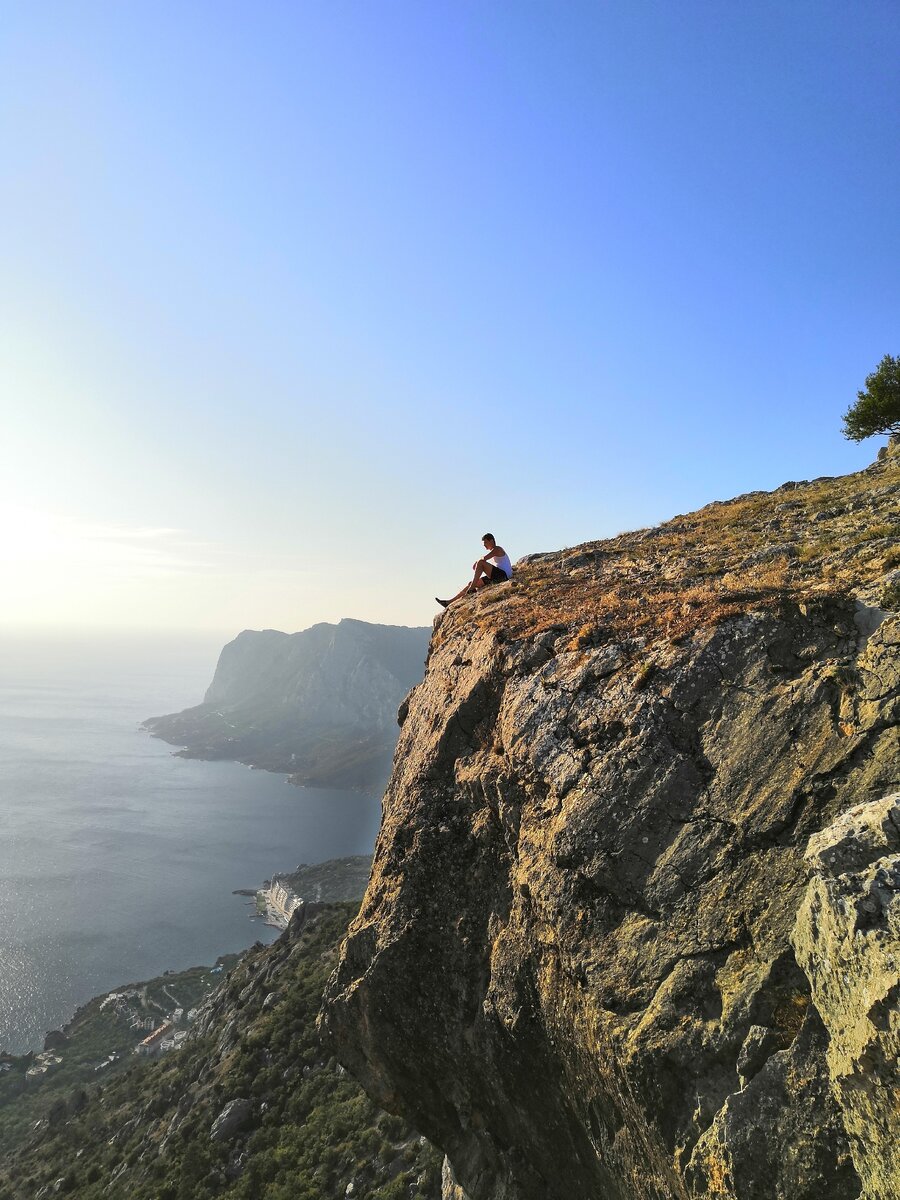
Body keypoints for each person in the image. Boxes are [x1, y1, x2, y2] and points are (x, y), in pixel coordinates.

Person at [436, 533, 512, 607]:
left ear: (491, 541)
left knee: (481, 563)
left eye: (485, 542)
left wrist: (477, 562)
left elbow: (484, 559)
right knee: (471, 583)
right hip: (496, 577)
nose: (484, 545)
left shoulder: (497, 549)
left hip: (503, 576)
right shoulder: (493, 552)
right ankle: (448, 602)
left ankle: (472, 589)